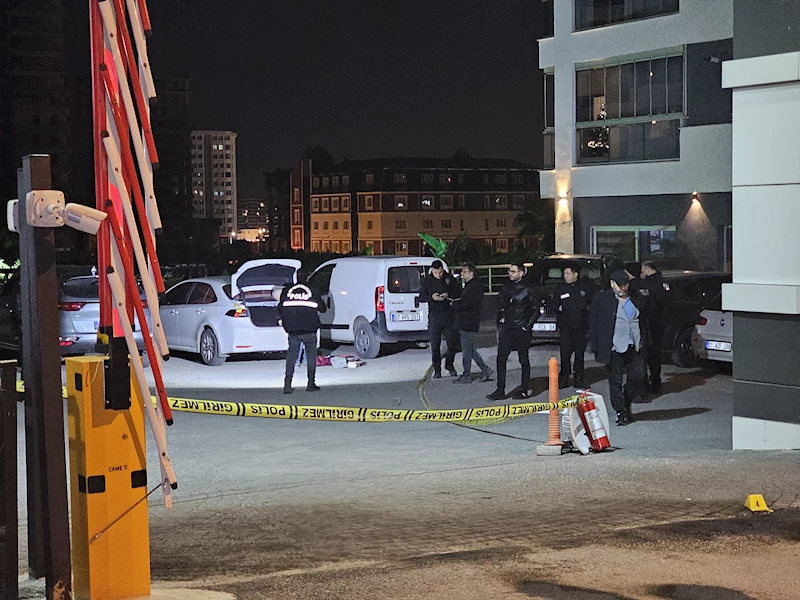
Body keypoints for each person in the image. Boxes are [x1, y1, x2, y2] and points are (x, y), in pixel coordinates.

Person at [589, 270, 649, 426]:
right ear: (612, 283)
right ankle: (621, 411)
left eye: (625, 285)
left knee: (638, 377)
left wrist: (644, 341)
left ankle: (626, 402)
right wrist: (597, 346)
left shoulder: (635, 299)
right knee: (615, 381)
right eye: (619, 285)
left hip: (634, 345)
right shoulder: (602, 299)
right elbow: (594, 324)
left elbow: (643, 322)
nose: (623, 288)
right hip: (614, 347)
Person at [487, 263, 540, 401]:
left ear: (521, 273)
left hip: (521, 328)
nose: (510, 274)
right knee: (501, 358)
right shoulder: (506, 287)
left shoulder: (528, 289)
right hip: (507, 328)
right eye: (509, 271)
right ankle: (500, 389)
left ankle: (524, 388)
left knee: (523, 359)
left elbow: (535, 309)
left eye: (513, 271)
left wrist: (527, 326)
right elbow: (498, 304)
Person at [277, 270, 326, 394]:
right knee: (311, 357)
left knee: (291, 356)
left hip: (293, 330)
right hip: (309, 329)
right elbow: (322, 308)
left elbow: (280, 308)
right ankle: (311, 383)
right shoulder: (313, 290)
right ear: (308, 278)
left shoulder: (287, 291)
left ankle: (287, 385)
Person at [418, 260, 461, 378]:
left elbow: (458, 292)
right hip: (434, 316)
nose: (438, 275)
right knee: (435, 344)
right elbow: (421, 297)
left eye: (440, 272)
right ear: (432, 270)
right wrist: (431, 297)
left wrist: (448, 294)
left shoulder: (449, 278)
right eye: (436, 273)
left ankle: (449, 364)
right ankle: (437, 369)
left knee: (453, 342)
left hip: (448, 314)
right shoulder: (427, 280)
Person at [630, 261, 668, 393]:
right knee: (655, 354)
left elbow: (649, 304)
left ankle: (650, 383)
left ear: (647, 269)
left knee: (649, 355)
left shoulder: (650, 284)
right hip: (659, 324)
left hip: (649, 324)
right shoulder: (663, 282)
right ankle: (656, 381)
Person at [451, 264, 493, 384]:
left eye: (464, 272)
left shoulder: (473, 287)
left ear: (471, 273)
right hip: (469, 320)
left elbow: (467, 304)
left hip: (467, 321)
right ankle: (485, 369)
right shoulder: (473, 285)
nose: (462, 274)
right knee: (469, 349)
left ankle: (467, 374)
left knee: (466, 350)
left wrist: (453, 305)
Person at [554, 262, 593, 389]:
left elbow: (591, 304)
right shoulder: (560, 289)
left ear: (575, 274)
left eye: (568, 273)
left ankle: (579, 377)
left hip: (581, 327)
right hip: (566, 327)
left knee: (579, 353)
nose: (565, 276)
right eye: (564, 273)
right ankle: (564, 376)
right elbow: (554, 305)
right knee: (565, 353)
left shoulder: (585, 288)